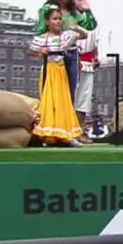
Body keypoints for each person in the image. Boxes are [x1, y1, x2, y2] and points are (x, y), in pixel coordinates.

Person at [29, 8, 88, 147]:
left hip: (61, 72)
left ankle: (66, 135)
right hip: (48, 72)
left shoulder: (66, 36)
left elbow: (84, 35)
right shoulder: (42, 38)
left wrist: (76, 27)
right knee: (49, 102)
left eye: (59, 19)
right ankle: (48, 135)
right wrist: (39, 51)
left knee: (63, 102)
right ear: (48, 22)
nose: (58, 22)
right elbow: (30, 50)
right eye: (54, 19)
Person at [35, 0, 84, 105]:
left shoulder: (74, 12)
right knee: (52, 88)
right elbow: (40, 31)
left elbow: (85, 30)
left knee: (71, 89)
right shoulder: (48, 9)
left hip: (72, 53)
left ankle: (68, 118)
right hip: (54, 53)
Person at [72, 0, 100, 139]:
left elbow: (95, 40)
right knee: (73, 97)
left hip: (88, 64)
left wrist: (97, 56)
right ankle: (68, 130)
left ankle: (79, 130)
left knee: (84, 99)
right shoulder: (69, 18)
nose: (81, 1)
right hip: (74, 62)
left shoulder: (92, 19)